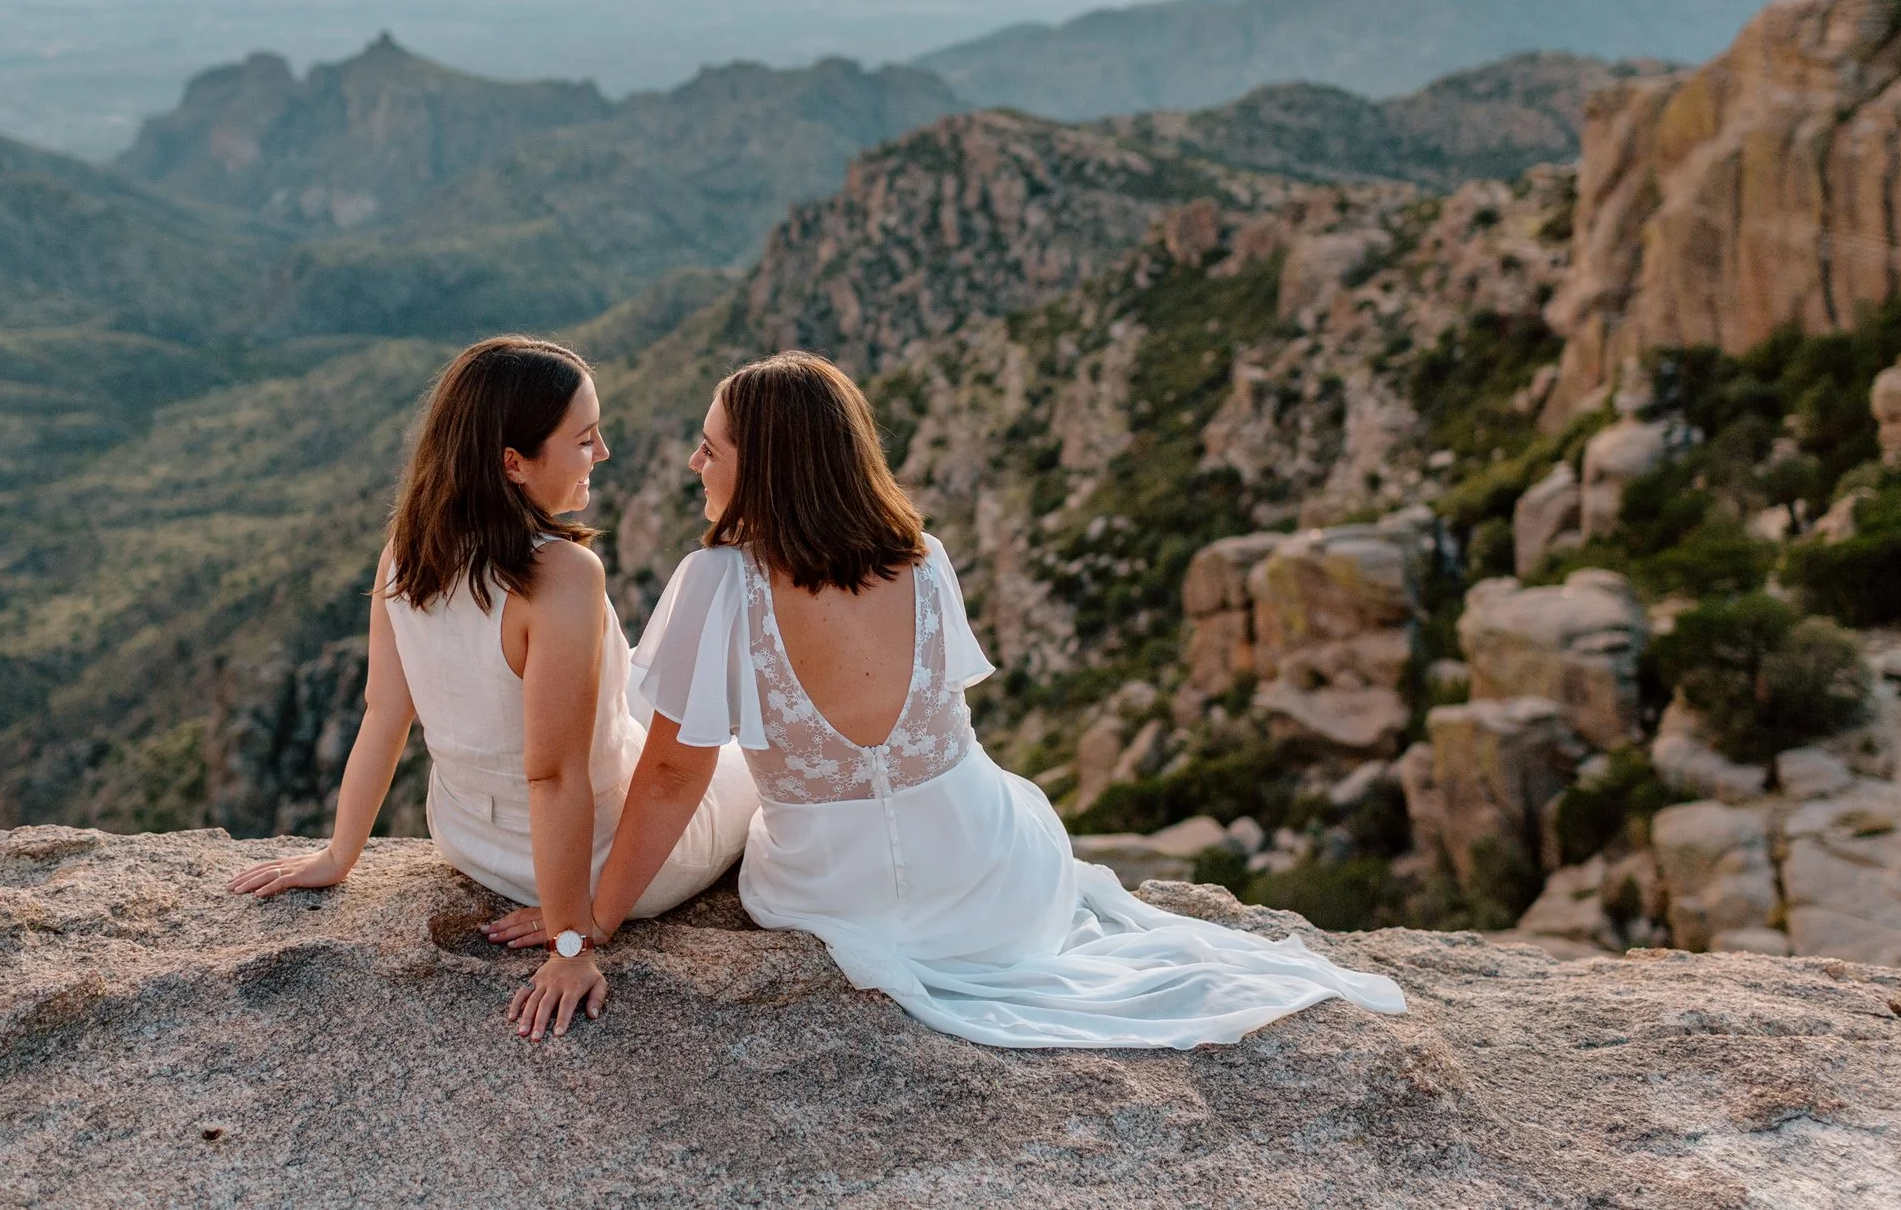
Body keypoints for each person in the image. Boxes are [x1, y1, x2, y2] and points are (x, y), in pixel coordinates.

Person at [497, 349, 1406, 1049]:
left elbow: (667, 778)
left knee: (725, 767)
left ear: (768, 467)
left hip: (830, 889)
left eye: (713, 445)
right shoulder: (924, 559)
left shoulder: (720, 582)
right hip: (987, 874)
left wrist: (589, 925)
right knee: (1004, 793)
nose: (695, 460)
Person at [230, 335, 756, 1039]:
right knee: (750, 753)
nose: (601, 453)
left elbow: (385, 714)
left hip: (469, 838)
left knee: (632, 694)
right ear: (514, 462)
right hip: (599, 863)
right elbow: (554, 774)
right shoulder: (561, 576)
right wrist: (574, 942)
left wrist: (339, 854)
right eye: (585, 439)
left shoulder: (407, 551)